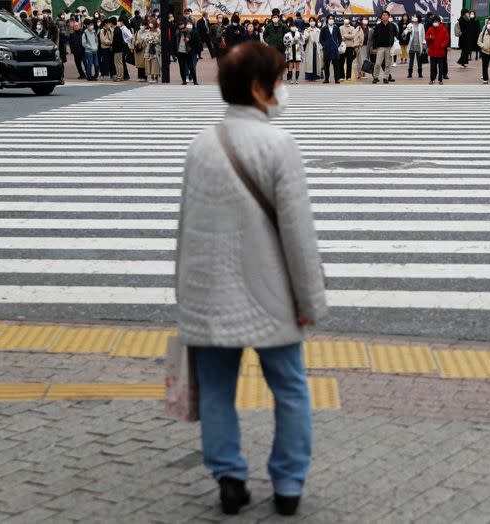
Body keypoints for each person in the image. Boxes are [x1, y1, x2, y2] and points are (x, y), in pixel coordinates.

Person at [178, 40, 327, 518]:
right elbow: (299, 237)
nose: (283, 89)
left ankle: (229, 479)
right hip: (271, 296)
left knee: (217, 389)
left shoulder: (201, 145)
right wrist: (310, 301)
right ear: (260, 88)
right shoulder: (279, 146)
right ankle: (287, 484)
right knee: (290, 387)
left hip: (208, 295)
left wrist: (185, 300)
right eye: (280, 80)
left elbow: (186, 229)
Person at [371, 11, 396, 84]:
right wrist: (375, 47)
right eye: (383, 15)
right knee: (378, 63)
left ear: (388, 16)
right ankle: (375, 77)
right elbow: (374, 37)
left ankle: (386, 77)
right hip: (380, 48)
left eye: (386, 15)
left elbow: (396, 35)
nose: (384, 16)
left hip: (389, 47)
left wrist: (393, 44)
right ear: (381, 17)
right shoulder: (378, 26)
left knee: (387, 64)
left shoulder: (392, 26)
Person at [176, 20, 202, 84]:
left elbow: (195, 41)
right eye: (180, 28)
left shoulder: (190, 31)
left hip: (188, 51)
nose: (182, 30)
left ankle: (195, 81)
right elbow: (174, 42)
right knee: (181, 67)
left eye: (183, 28)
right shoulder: (177, 33)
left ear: (185, 27)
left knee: (191, 66)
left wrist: (189, 40)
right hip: (180, 52)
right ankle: (184, 81)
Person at [425, 15, 448, 85]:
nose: (435, 23)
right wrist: (430, 38)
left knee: (440, 66)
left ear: (439, 22)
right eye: (434, 22)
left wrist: (442, 45)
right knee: (432, 67)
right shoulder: (430, 29)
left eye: (436, 21)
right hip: (432, 51)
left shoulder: (444, 29)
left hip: (440, 51)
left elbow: (447, 39)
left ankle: (440, 79)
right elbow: (426, 37)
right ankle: (432, 79)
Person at [319, 15, 342, 84]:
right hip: (327, 49)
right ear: (327, 20)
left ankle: (336, 79)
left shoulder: (336, 28)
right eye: (330, 18)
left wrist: (337, 45)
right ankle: (326, 79)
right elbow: (321, 39)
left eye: (332, 19)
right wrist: (324, 45)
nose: (331, 20)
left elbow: (340, 39)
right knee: (326, 65)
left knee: (336, 65)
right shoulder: (324, 28)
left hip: (335, 49)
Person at [302, 17, 322, 81]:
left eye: (313, 21)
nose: (312, 22)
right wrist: (308, 31)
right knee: (310, 62)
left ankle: (316, 76)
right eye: (310, 21)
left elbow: (320, 40)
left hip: (317, 47)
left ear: (315, 22)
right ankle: (309, 77)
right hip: (310, 47)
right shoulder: (306, 30)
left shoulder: (318, 30)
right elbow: (304, 38)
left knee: (316, 62)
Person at [406, 13, 425, 79]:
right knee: (411, 60)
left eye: (416, 17)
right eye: (414, 16)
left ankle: (420, 73)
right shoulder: (410, 25)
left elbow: (423, 35)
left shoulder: (421, 25)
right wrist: (408, 31)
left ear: (418, 18)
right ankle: (409, 74)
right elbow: (404, 33)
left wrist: (424, 43)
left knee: (419, 60)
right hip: (411, 45)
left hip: (419, 45)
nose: (414, 18)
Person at [145, 19, 161, 83]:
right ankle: (151, 77)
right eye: (149, 23)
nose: (150, 24)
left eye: (151, 23)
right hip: (149, 48)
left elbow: (160, 40)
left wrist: (156, 39)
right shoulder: (148, 31)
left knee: (155, 63)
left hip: (156, 48)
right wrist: (149, 39)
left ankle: (156, 77)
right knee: (150, 63)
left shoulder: (158, 31)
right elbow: (146, 38)